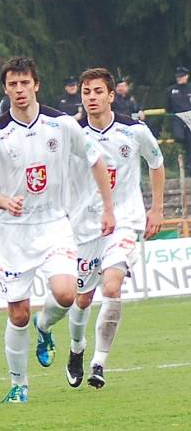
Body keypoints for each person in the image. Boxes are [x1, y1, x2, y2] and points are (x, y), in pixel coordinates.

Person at [0, 57, 114, 403]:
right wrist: (5, 201)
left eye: (25, 83)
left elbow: (96, 159)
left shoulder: (62, 124)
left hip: (54, 223)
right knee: (18, 312)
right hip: (11, 231)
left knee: (67, 293)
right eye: (13, 85)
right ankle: (19, 385)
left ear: (36, 84)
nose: (19, 90)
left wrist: (108, 208)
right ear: (5, 89)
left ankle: (44, 327)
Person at [65, 68, 165, 389]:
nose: (91, 97)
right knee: (81, 299)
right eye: (86, 92)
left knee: (112, 287)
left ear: (111, 95)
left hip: (124, 220)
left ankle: (99, 363)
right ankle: (77, 349)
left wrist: (157, 209)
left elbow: (157, 162)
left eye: (97, 91)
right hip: (86, 227)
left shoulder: (134, 131)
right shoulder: (73, 135)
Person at [166, 66, 191, 175]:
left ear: (186, 76)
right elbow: (167, 106)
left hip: (190, 115)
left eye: (181, 76)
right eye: (178, 77)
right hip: (177, 117)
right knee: (179, 137)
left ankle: (189, 166)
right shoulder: (171, 90)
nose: (179, 78)